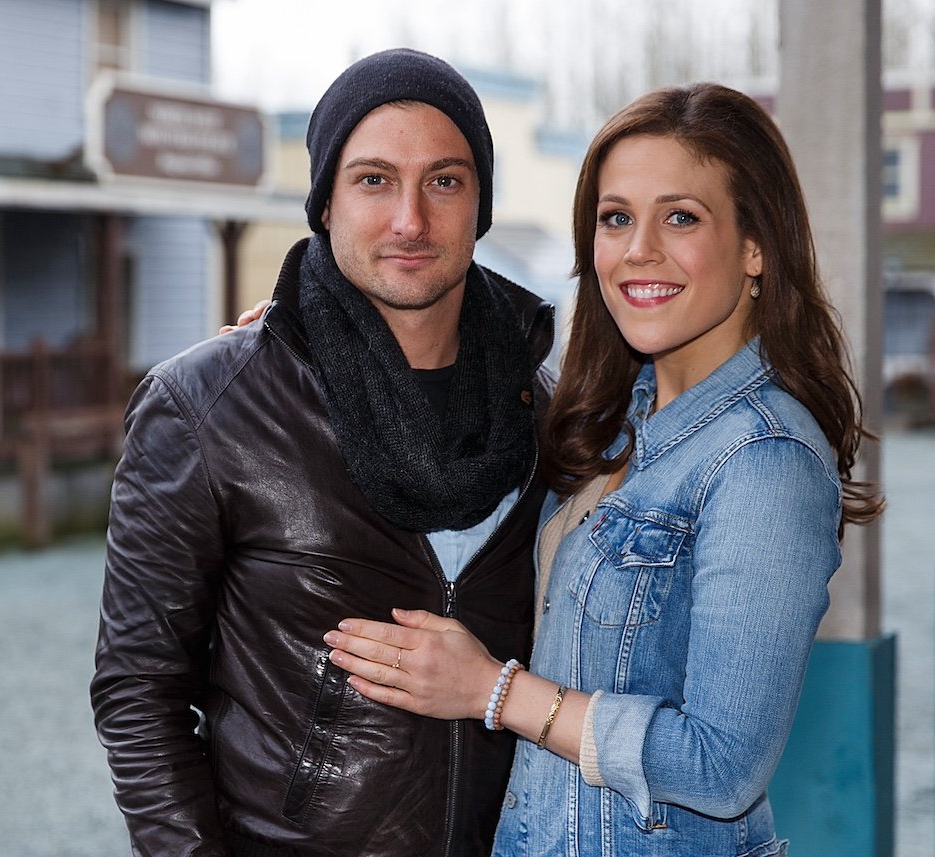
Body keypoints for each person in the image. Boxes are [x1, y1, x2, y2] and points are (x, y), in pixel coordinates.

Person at [322, 82, 885, 856]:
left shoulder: (767, 461)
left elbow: (724, 767)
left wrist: (494, 691)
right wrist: (302, 332)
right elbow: (446, 373)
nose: (638, 249)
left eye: (680, 217)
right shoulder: (614, 420)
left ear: (757, 245)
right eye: (616, 218)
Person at [90, 48, 557, 857]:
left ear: (479, 202)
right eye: (374, 179)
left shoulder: (545, 409)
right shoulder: (207, 408)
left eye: (443, 180)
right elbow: (140, 694)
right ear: (325, 202)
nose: (410, 218)